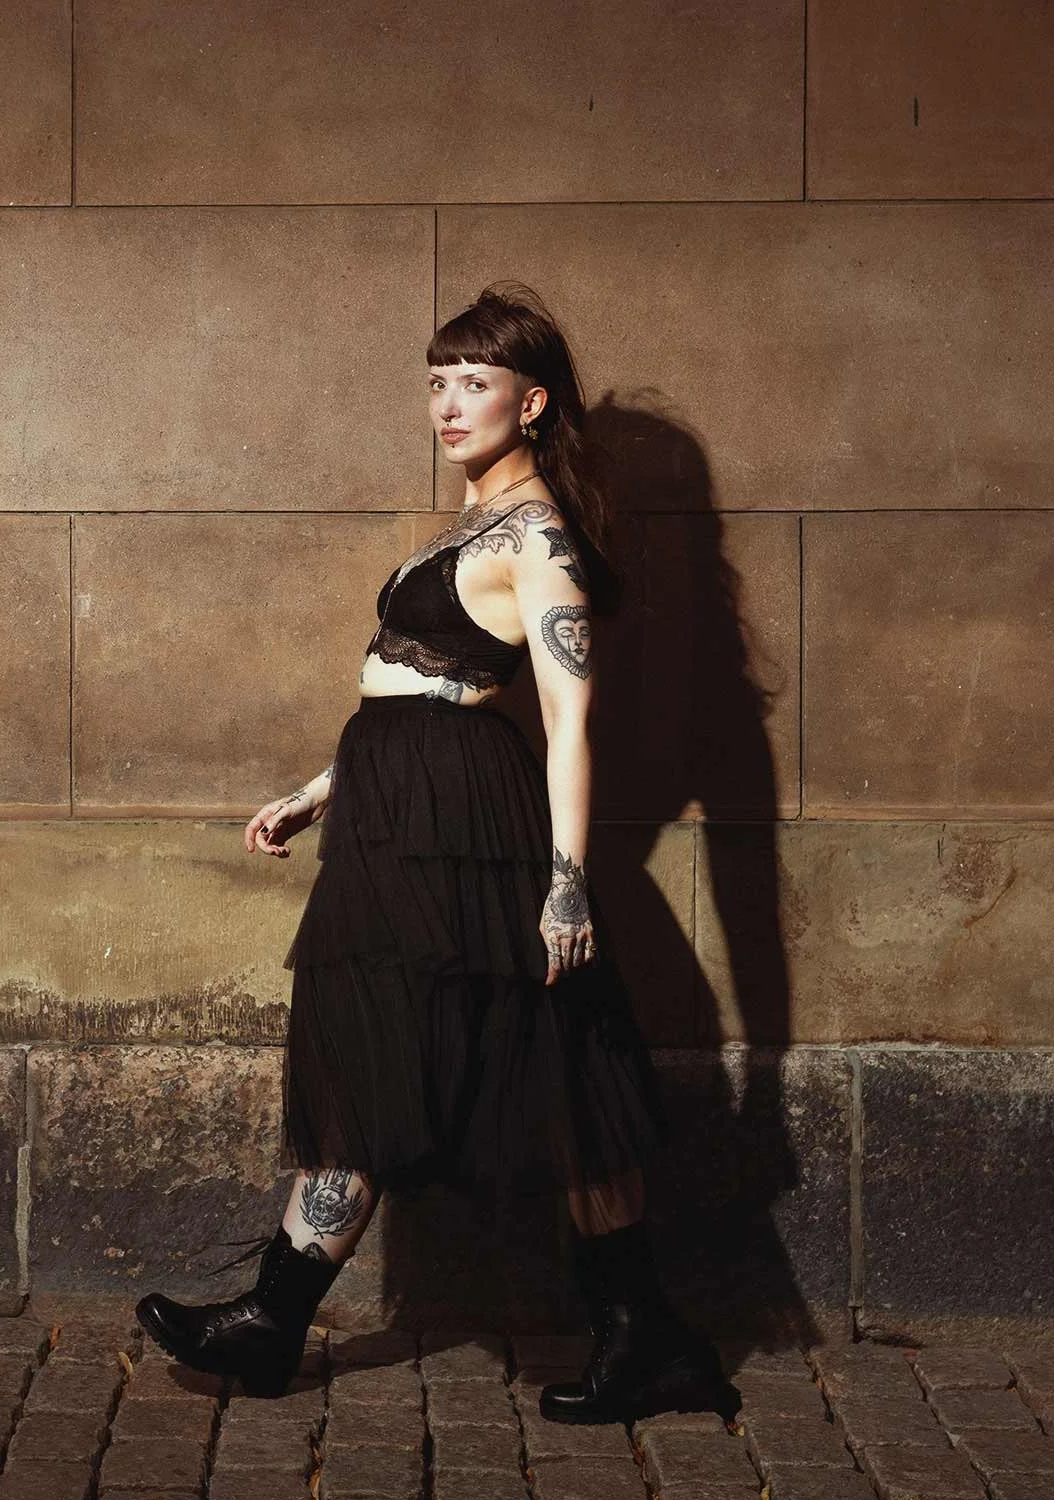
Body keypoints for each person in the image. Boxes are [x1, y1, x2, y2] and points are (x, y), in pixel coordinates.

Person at [134, 283, 735, 1424]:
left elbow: (564, 727)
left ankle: (632, 1336)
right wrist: (318, 793)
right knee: (396, 1057)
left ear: (532, 400)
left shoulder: (538, 536)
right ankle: (282, 1318)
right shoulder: (471, 529)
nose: (446, 404)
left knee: (550, 1071)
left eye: (473, 382)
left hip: (469, 840)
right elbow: (416, 687)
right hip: (392, 823)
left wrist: (564, 888)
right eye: (435, 382)